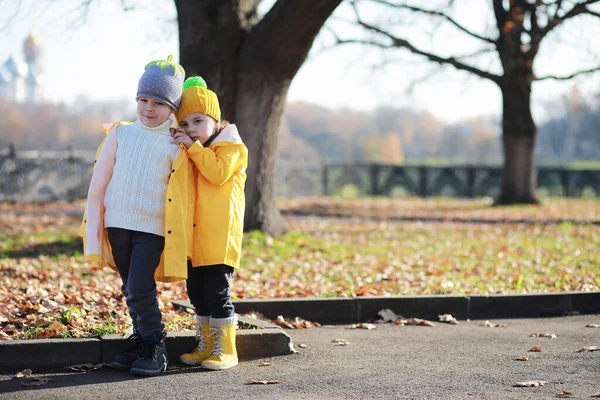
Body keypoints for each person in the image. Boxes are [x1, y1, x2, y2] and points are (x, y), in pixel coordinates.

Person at [80, 55, 194, 376]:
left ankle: (155, 345)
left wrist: (190, 143)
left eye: (158, 103)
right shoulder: (121, 133)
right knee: (130, 286)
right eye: (142, 100)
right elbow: (100, 179)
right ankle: (141, 337)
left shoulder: (175, 145)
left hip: (152, 228)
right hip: (117, 223)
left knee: (141, 285)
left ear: (171, 108)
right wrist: (96, 222)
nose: (148, 108)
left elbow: (184, 189)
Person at [172, 76, 248, 370]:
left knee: (218, 293)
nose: (191, 129)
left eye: (198, 121)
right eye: (186, 124)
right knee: (197, 294)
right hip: (195, 236)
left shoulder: (230, 146)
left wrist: (192, 148)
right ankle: (205, 344)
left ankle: (226, 348)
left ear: (215, 120)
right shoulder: (196, 148)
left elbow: (217, 174)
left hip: (219, 237)